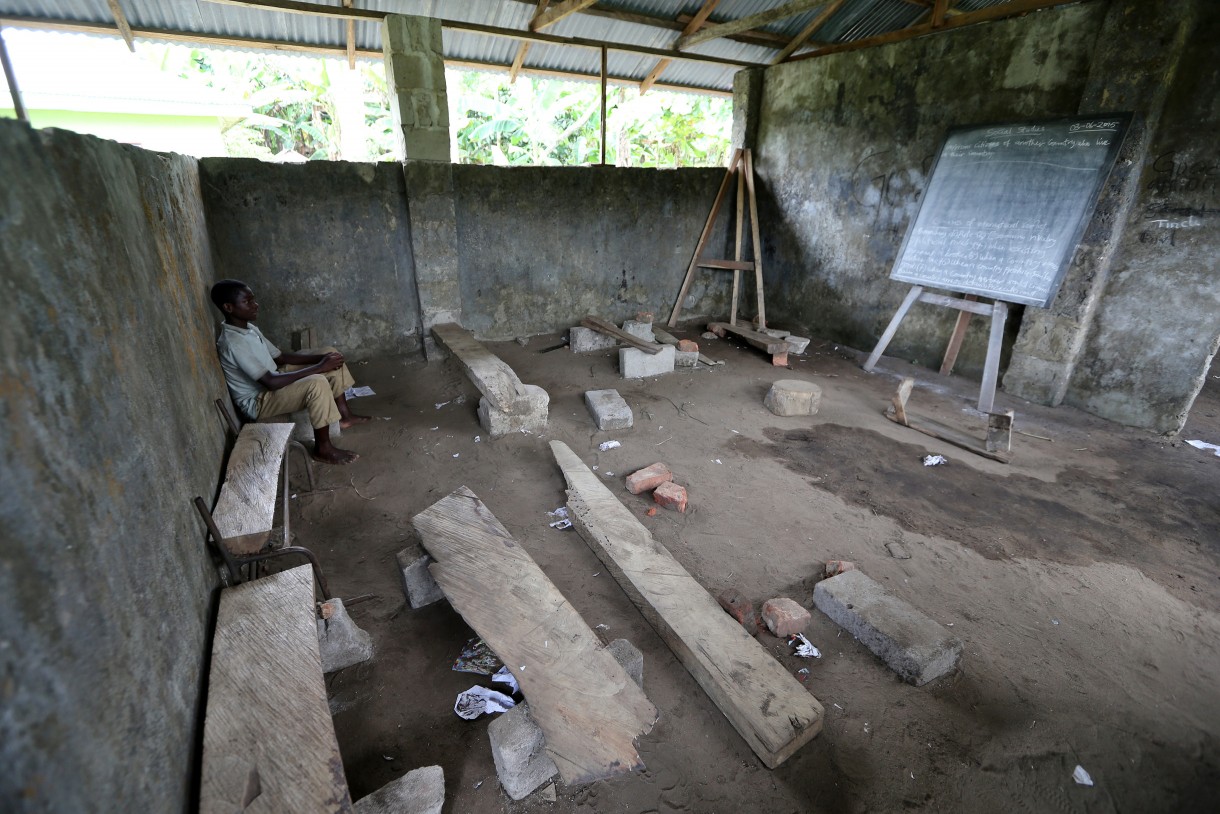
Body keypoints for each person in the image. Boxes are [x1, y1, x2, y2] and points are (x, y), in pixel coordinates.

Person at [210, 279, 370, 465]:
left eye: (253, 300)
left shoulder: (248, 329)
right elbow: (270, 382)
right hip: (259, 401)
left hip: (275, 377)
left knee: (330, 354)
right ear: (228, 307)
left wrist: (323, 359)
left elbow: (280, 358)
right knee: (316, 383)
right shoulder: (233, 343)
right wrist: (319, 367)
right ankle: (323, 449)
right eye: (248, 302)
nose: (255, 305)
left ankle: (345, 416)